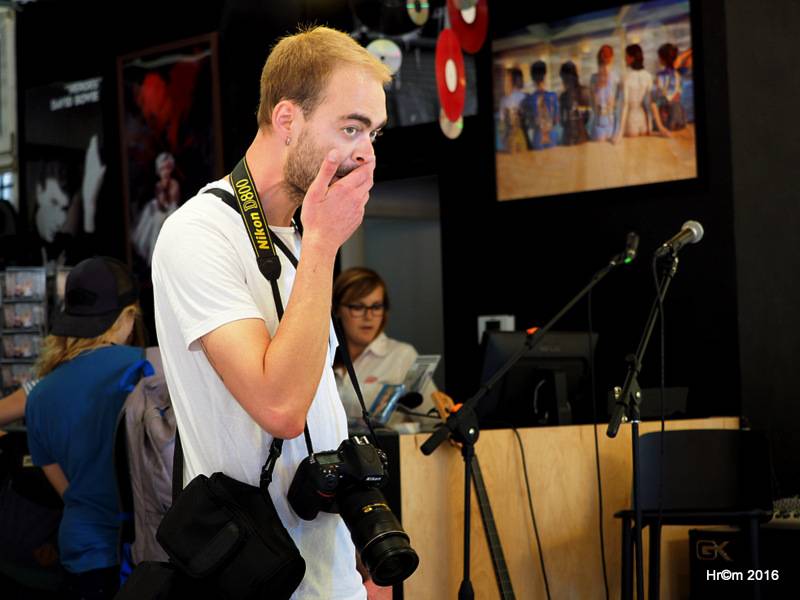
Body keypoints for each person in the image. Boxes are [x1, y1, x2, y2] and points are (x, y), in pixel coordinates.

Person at [151, 26, 391, 600]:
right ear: (287, 120)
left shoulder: (298, 237)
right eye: (352, 127)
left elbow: (317, 407)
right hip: (256, 572)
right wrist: (326, 247)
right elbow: (281, 406)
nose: (367, 153)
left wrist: (360, 545)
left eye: (374, 133)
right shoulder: (199, 232)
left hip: (329, 570)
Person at [23, 256, 145, 600]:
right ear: (126, 317)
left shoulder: (40, 394)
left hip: (82, 550)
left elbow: (67, 489)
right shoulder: (147, 369)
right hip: (142, 545)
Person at [332, 267, 436, 427]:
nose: (369, 316)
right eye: (358, 307)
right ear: (337, 310)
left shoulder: (403, 356)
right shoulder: (322, 358)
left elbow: (433, 420)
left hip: (387, 450)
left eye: (376, 307)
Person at [132, 152, 181, 265]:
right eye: (162, 170)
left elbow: (173, 200)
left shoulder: (174, 184)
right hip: (160, 209)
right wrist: (162, 190)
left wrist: (167, 188)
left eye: (167, 169)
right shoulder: (158, 185)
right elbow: (161, 203)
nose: (165, 172)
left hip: (172, 210)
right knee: (156, 222)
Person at [614, 44, 663, 143]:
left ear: (631, 58)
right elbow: (649, 104)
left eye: (626, 56)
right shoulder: (648, 76)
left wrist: (619, 133)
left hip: (630, 121)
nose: (624, 58)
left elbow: (625, 105)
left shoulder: (626, 77)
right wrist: (650, 127)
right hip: (643, 121)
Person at [520, 60, 559, 150]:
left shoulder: (528, 100)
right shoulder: (553, 96)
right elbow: (556, 120)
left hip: (538, 136)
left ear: (532, 78)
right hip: (551, 135)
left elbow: (529, 123)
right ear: (545, 75)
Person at [651, 42, 687, 133]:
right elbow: (678, 93)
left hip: (666, 115)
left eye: (659, 57)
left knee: (653, 103)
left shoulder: (660, 75)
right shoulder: (678, 74)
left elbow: (660, 95)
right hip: (679, 115)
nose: (658, 59)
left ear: (663, 59)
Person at [588, 45, 620, 141]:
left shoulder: (593, 78)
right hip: (611, 121)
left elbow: (592, 104)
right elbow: (618, 103)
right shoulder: (615, 77)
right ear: (612, 58)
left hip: (599, 120)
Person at [558, 61, 591, 145]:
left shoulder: (563, 96)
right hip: (582, 136)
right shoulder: (585, 91)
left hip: (568, 138)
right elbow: (587, 117)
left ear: (563, 77)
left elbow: (562, 121)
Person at [498, 68, 529, 152]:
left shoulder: (504, 100)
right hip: (525, 138)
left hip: (510, 138)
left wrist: (503, 139)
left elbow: (501, 123)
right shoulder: (526, 97)